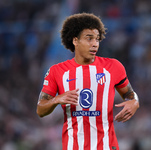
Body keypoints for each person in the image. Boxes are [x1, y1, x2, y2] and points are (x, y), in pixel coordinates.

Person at [36, 13, 139, 150]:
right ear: (75, 41)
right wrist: (57, 99)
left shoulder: (113, 67)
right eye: (89, 39)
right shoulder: (57, 71)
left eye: (97, 39)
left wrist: (135, 102)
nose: (95, 44)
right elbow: (40, 110)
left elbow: (130, 94)